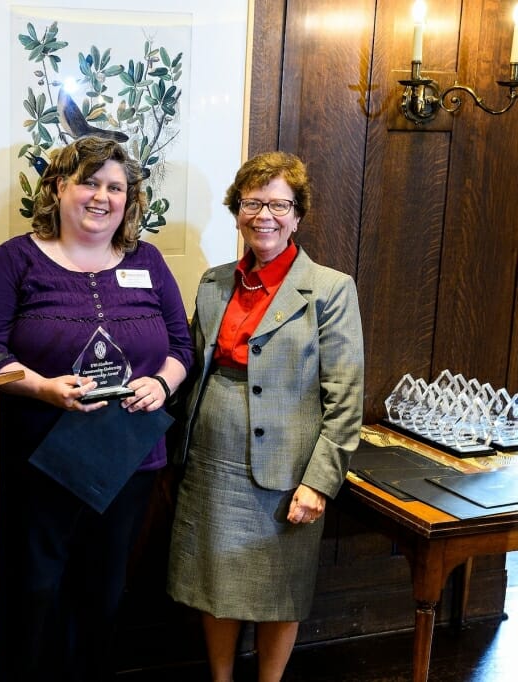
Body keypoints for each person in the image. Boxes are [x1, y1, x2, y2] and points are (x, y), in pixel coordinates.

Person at [0, 136, 194, 681]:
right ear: (58, 187)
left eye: (115, 187)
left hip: (130, 460)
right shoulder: (15, 259)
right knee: (35, 591)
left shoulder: (148, 261)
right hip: (41, 457)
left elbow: (182, 348)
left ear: (129, 199)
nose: (101, 196)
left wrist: (161, 384)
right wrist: (43, 387)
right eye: (89, 181)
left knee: (104, 593)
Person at [166, 151, 364, 682]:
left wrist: (319, 483)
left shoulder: (330, 288)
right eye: (252, 203)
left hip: (287, 471)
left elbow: (346, 398)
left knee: (282, 589)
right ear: (237, 211)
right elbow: (190, 364)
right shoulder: (212, 283)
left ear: (298, 214)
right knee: (214, 583)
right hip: (210, 460)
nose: (264, 216)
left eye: (279, 204)